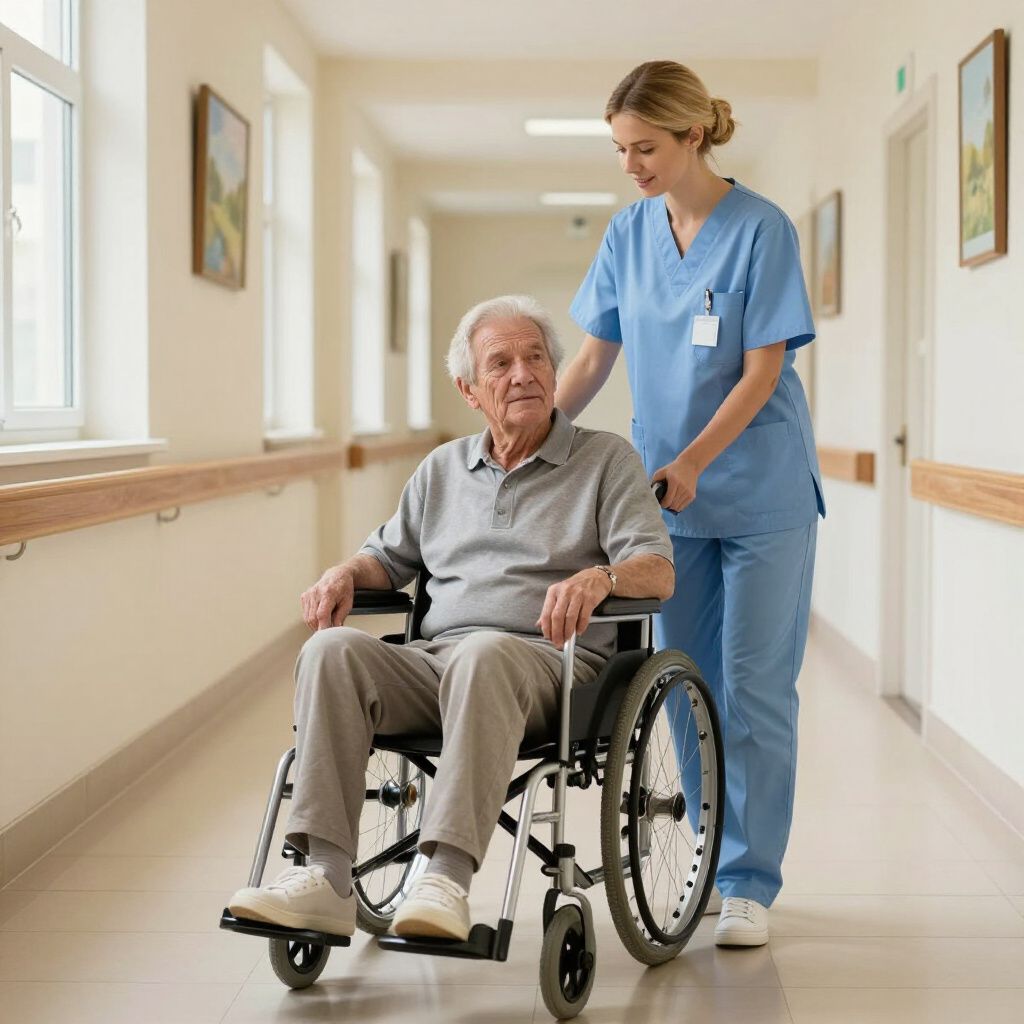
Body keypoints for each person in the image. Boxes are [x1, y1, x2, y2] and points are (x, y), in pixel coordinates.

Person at [228, 294, 673, 941]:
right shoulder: (442, 470)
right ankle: (324, 879)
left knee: (486, 653)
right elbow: (388, 555)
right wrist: (345, 573)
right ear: (469, 389)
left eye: (535, 358)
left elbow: (657, 568)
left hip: (553, 669)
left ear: (554, 370)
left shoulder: (606, 461)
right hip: (439, 663)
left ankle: (444, 878)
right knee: (331, 652)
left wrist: (600, 576)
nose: (522, 374)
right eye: (500, 363)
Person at [556, 60, 824, 948]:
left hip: (760, 495)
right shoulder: (629, 235)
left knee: (754, 688)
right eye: (620, 149)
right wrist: (535, 435)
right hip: (670, 502)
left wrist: (695, 460)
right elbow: (595, 356)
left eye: (645, 147)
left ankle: (749, 880)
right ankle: (710, 853)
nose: (630, 164)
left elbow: (765, 368)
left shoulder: (761, 230)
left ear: (693, 136)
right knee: (684, 687)